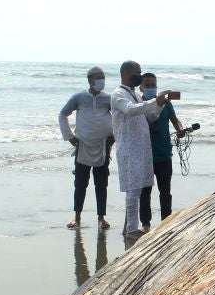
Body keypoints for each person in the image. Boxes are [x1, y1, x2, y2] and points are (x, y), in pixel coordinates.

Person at [111, 61, 168, 240]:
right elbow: (130, 110)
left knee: (140, 187)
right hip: (129, 148)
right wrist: (153, 101)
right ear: (126, 73)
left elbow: (148, 117)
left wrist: (158, 105)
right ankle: (131, 229)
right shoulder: (119, 94)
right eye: (137, 72)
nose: (140, 76)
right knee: (133, 190)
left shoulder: (134, 94)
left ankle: (130, 227)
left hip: (140, 148)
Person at [59, 66, 114, 230]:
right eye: (99, 77)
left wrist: (115, 136)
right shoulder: (79, 97)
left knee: (101, 184)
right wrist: (69, 137)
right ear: (90, 80)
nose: (102, 80)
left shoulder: (108, 99)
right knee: (80, 183)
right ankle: (77, 218)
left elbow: (119, 117)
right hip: (83, 145)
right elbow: (62, 114)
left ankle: (101, 218)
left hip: (103, 146)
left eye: (103, 77)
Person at [138, 72, 184, 232]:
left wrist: (180, 129)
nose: (150, 87)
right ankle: (145, 224)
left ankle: (166, 222)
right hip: (145, 155)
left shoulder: (166, 103)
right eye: (147, 85)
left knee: (165, 191)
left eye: (153, 85)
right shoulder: (139, 104)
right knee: (145, 192)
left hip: (164, 153)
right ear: (141, 87)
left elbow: (174, 119)